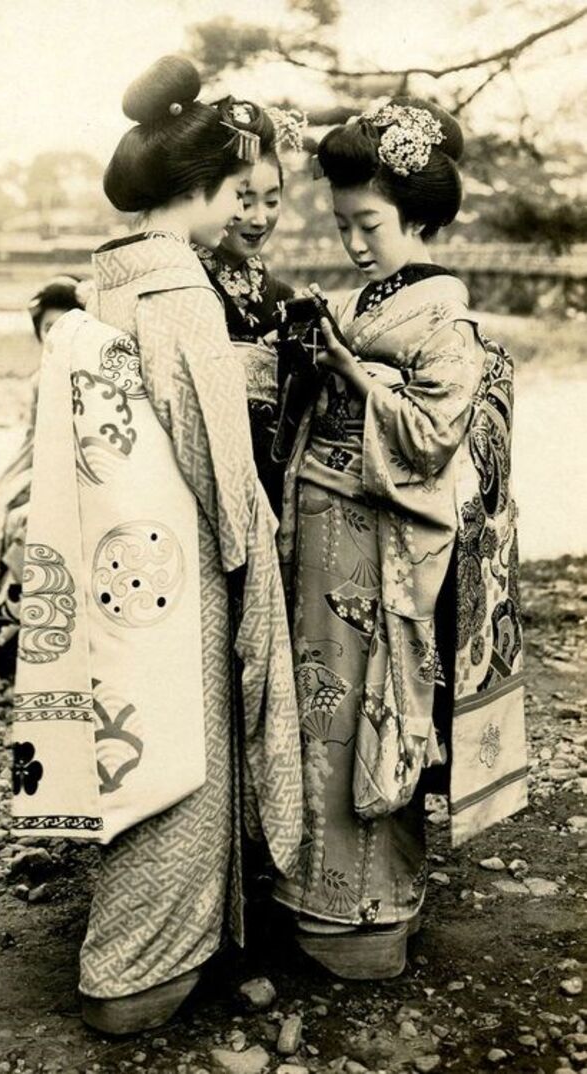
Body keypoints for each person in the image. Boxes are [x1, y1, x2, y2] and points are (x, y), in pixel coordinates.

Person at [9, 55, 302, 1034]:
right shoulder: (180, 294)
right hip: (183, 561)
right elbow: (221, 464)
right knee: (193, 756)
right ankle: (141, 969)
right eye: (240, 189)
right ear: (202, 191)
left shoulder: (111, 280)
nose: (247, 208)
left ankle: (164, 948)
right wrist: (254, 559)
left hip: (119, 561)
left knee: (138, 744)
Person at [274, 98, 526, 979]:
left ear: (417, 215)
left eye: (368, 223)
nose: (352, 244)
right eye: (342, 224)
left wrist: (349, 371)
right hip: (322, 531)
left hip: (383, 542)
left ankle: (369, 910)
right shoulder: (370, 298)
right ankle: (309, 892)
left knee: (368, 713)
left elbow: (429, 438)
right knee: (314, 710)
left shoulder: (445, 320)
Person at [0, 275, 86, 674]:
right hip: (45, 470)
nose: (57, 339)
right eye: (48, 330)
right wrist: (3, 489)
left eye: (67, 329)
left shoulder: (92, 380)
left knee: (27, 523)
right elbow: (31, 445)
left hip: (83, 475)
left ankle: (2, 627)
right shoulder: (41, 380)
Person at [193, 108, 305, 513]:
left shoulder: (283, 297)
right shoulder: (187, 288)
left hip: (271, 486)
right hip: (204, 484)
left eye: (271, 201)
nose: (259, 218)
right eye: (243, 199)